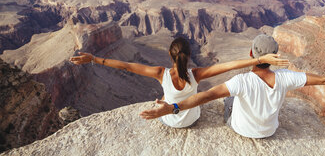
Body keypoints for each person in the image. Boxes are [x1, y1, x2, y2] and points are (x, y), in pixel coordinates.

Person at [140, 34, 325, 138]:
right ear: (275, 56)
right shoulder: (286, 77)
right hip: (270, 131)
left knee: (228, 100)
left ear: (251, 54)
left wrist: (171, 108)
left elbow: (203, 97)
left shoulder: (241, 82)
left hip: (241, 130)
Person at [70, 37, 289, 128]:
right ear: (189, 54)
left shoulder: (160, 72)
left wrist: (94, 59)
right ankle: (169, 100)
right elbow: (230, 65)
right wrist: (259, 59)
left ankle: (167, 100)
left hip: (170, 121)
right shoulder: (197, 74)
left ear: (170, 55)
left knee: (165, 96)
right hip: (191, 120)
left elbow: (126, 66)